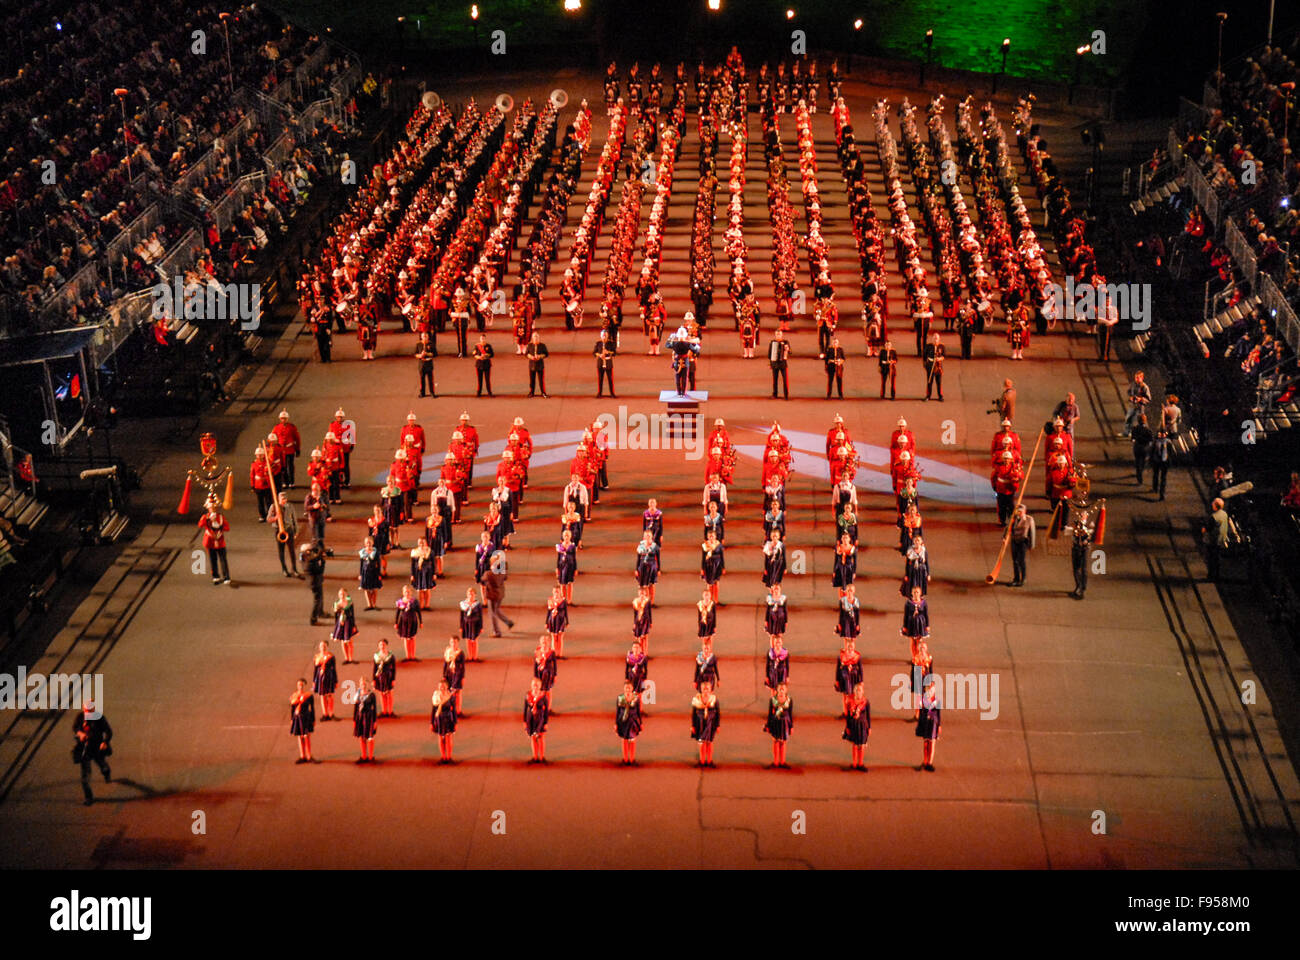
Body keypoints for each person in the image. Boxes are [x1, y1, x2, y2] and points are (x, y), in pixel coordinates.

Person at [72, 701, 112, 805]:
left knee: (102, 764)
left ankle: (106, 772)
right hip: (84, 749)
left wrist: (105, 742)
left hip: (96, 747)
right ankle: (88, 797)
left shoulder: (99, 718)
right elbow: (75, 727)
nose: (87, 713)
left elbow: (109, 731)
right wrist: (80, 733)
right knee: (85, 775)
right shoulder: (81, 717)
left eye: (89, 710)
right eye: (85, 710)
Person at [197, 500, 231, 585]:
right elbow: (200, 525)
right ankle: (215, 576)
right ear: (208, 508)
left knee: (223, 559)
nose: (212, 509)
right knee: (213, 560)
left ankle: (226, 576)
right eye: (210, 507)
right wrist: (208, 520)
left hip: (220, 541)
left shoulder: (220, 517)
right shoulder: (205, 517)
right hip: (210, 541)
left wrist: (220, 527)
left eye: (214, 507)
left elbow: (227, 528)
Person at [482, 551, 514, 639]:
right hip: (500, 593)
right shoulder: (503, 572)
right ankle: (508, 622)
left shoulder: (488, 574)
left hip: (492, 595)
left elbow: (482, 579)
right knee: (496, 610)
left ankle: (496, 631)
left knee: (492, 613)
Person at [690, 680, 720, 767]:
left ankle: (709, 761)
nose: (706, 691)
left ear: (711, 690)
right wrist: (693, 725)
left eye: (707, 689)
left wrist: (718, 725)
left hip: (710, 723)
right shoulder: (696, 700)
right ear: (701, 689)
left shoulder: (714, 700)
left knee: (709, 742)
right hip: (700, 723)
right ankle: (702, 761)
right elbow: (693, 714)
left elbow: (718, 713)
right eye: (704, 689)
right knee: (701, 743)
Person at [764, 682, 794, 769]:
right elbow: (770, 714)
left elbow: (790, 714)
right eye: (780, 689)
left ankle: (783, 761)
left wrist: (791, 726)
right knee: (776, 742)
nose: (781, 691)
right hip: (775, 722)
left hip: (785, 723)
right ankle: (776, 762)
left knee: (783, 742)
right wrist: (768, 725)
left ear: (786, 690)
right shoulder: (773, 700)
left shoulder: (789, 700)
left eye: (783, 689)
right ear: (776, 690)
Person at [271, 493, 300, 577]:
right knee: (281, 551)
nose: (284, 501)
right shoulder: (273, 507)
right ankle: (284, 569)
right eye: (282, 499)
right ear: (279, 500)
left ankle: (294, 569)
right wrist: (275, 518)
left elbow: (294, 518)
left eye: (285, 499)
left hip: (289, 530)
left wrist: (296, 531)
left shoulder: (290, 506)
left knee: (292, 551)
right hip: (279, 531)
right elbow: (268, 518)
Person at [843, 682, 870, 771]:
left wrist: (869, 727)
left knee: (861, 745)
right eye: (857, 691)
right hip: (854, 726)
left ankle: (860, 763)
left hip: (862, 726)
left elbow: (868, 716)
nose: (858, 692)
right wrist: (847, 727)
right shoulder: (850, 703)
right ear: (854, 692)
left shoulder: (866, 702)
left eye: (860, 691)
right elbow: (848, 717)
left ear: (863, 692)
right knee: (854, 745)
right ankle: (854, 764)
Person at [616, 680, 644, 765]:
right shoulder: (620, 698)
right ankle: (625, 759)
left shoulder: (636, 698)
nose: (628, 690)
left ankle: (632, 759)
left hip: (632, 722)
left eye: (629, 688)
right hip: (623, 722)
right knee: (624, 739)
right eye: (626, 688)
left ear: (632, 688)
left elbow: (638, 712)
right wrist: (616, 723)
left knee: (632, 740)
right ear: (624, 689)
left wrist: (641, 723)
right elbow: (618, 712)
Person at [916, 679, 941, 771]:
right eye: (929, 687)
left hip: (933, 722)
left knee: (932, 743)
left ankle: (930, 762)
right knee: (926, 742)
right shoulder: (924, 699)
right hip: (925, 722)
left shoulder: (937, 700)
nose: (931, 689)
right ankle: (925, 761)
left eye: (932, 687)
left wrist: (939, 725)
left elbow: (938, 713)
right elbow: (922, 711)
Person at [290, 678, 316, 764]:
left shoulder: (308, 696)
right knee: (300, 737)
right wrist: (291, 719)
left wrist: (313, 719)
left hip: (306, 717)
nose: (300, 686)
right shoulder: (294, 696)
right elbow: (292, 709)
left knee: (307, 736)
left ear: (304, 686)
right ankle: (302, 756)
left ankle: (309, 755)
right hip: (298, 718)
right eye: (299, 685)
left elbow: (312, 708)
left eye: (302, 685)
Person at [524, 676, 550, 763]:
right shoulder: (528, 695)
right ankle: (535, 757)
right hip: (530, 718)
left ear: (540, 686)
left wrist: (546, 722)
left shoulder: (543, 696)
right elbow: (525, 709)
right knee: (533, 738)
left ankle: (542, 757)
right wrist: (524, 721)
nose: (535, 687)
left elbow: (546, 711)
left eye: (537, 685)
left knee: (541, 737)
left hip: (540, 719)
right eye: (533, 685)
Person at [835, 637, 863, 717]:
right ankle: (845, 712)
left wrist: (861, 681)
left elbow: (860, 669)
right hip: (843, 678)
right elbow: (838, 669)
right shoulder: (841, 656)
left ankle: (852, 712)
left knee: (853, 696)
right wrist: (837, 680)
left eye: (851, 647)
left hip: (854, 678)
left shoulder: (857, 656)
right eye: (848, 646)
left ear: (854, 647)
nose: (850, 648)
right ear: (846, 647)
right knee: (845, 696)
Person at [1203, 497, 1229, 581]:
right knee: (1217, 558)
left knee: (1211, 558)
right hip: (1221, 540)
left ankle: (1210, 576)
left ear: (1215, 506)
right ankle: (1217, 575)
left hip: (1213, 541)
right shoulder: (1224, 514)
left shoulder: (1213, 517)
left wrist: (1203, 530)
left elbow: (1208, 528)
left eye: (1213, 503)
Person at [394, 583, 422, 661]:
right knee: (406, 639)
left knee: (413, 638)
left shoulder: (414, 601)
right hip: (404, 621)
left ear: (411, 592)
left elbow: (418, 612)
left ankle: (413, 656)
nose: (407, 593)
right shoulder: (400, 602)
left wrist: (421, 622)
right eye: (405, 592)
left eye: (408, 592)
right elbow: (398, 612)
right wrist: (396, 622)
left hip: (413, 620)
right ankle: (408, 656)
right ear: (403, 592)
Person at [1010, 504, 1036, 587]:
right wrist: (1004, 537)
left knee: (1021, 561)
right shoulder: (1013, 518)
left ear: (1024, 511)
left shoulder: (1029, 519)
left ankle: (1023, 578)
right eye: (1017, 511)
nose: (1019, 513)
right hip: (1014, 541)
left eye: (1020, 512)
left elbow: (1032, 533)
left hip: (1023, 542)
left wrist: (1031, 545)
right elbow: (1008, 528)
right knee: (1015, 561)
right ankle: (1016, 578)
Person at [353, 677, 377, 763]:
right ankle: (364, 756)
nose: (363, 685)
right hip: (360, 717)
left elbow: (374, 709)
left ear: (367, 684)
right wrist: (354, 720)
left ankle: (370, 757)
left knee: (370, 737)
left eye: (364, 684)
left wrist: (375, 721)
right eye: (361, 684)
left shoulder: (371, 695)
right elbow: (355, 708)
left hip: (369, 717)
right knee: (361, 737)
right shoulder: (357, 695)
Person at [303, 541, 327, 626]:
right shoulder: (310, 562)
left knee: (320, 597)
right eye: (310, 550)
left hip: (314, 581)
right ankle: (313, 619)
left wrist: (319, 555)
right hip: (315, 582)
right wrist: (323, 561)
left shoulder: (305, 558)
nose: (312, 551)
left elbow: (315, 557)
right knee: (317, 600)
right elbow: (320, 570)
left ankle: (320, 612)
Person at [313, 640, 338, 721]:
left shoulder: (331, 657)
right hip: (320, 678)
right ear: (319, 647)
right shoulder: (317, 657)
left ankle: (331, 713)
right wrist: (314, 681)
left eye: (324, 646)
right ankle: (325, 713)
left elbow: (334, 669)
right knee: (322, 695)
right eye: (321, 646)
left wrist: (336, 681)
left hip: (329, 677)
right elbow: (315, 670)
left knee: (330, 695)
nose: (323, 647)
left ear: (327, 647)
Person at [331, 588, 358, 664]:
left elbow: (352, 615)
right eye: (340, 594)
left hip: (348, 622)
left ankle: (351, 658)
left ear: (346, 595)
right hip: (341, 623)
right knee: (343, 641)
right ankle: (346, 658)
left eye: (343, 594)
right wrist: (337, 626)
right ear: (338, 595)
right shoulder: (336, 604)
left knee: (349, 641)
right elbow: (336, 616)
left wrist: (353, 625)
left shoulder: (349, 603)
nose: (342, 595)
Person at [372, 638, 397, 717]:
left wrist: (393, 679)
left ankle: (390, 711)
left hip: (388, 677)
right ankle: (384, 711)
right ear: (378, 646)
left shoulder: (391, 656)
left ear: (386, 645)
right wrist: (374, 679)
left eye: (383, 644)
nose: (382, 646)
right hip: (380, 677)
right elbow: (374, 668)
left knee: (390, 694)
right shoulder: (376, 656)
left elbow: (394, 668)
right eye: (380, 645)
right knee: (382, 694)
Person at [443, 635, 467, 715]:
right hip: (449, 674)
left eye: (455, 642)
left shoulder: (460, 653)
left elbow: (463, 666)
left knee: (458, 692)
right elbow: (445, 664)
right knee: (450, 692)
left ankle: (458, 710)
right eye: (452, 642)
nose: (453, 644)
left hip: (457, 675)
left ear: (458, 643)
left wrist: (463, 677)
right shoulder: (447, 652)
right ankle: (452, 710)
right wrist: (444, 675)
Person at [459, 587, 484, 662]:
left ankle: (475, 656)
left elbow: (481, 616)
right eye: (469, 594)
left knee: (474, 640)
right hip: (466, 624)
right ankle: (470, 656)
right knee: (468, 640)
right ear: (467, 595)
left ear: (475, 595)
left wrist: (481, 627)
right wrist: (461, 626)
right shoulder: (463, 604)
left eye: (472, 594)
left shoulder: (478, 605)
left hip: (475, 624)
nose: (471, 596)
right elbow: (461, 616)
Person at [635, 529, 660, 603]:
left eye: (649, 536)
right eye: (646, 536)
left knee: (651, 584)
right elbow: (638, 558)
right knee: (643, 585)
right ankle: (645, 601)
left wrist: (658, 569)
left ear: (651, 537)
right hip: (643, 566)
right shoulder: (640, 546)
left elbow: (658, 558)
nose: (647, 537)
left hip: (652, 566)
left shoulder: (655, 546)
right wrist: (636, 569)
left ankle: (651, 601)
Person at [1123, 371, 1151, 437]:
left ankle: (1142, 435)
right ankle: (1127, 432)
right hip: (1132, 405)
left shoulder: (1145, 387)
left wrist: (1140, 399)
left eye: (1138, 378)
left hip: (1140, 407)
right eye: (1136, 377)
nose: (1136, 379)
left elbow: (1148, 399)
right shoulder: (1133, 384)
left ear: (1142, 378)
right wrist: (1131, 397)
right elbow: (1129, 391)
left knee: (1141, 421)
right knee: (1128, 418)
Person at [533, 634, 557, 709]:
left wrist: (555, 675)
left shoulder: (551, 652)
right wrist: (535, 677)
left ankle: (548, 708)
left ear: (548, 643)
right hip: (540, 675)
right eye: (543, 642)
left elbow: (555, 665)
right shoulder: (537, 652)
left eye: (546, 642)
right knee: (540, 692)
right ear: (540, 643)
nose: (544, 643)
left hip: (549, 674)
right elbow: (535, 665)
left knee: (548, 692)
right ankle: (541, 708)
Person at [546, 584, 569, 656]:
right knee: (554, 637)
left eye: (558, 592)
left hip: (561, 620)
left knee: (560, 637)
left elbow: (566, 612)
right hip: (552, 621)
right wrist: (546, 622)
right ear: (553, 592)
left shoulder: (563, 601)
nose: (556, 593)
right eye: (555, 592)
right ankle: (554, 654)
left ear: (560, 592)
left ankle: (560, 654)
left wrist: (567, 622)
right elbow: (548, 612)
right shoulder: (550, 601)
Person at [556, 528, 578, 602]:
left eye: (568, 536)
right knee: (562, 583)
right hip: (562, 566)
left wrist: (575, 568)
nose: (566, 537)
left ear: (570, 537)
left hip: (570, 566)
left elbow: (574, 558)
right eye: (565, 536)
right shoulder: (560, 547)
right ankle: (563, 599)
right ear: (563, 537)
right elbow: (558, 558)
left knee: (569, 583)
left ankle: (569, 599)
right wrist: (557, 568)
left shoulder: (572, 546)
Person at [594, 328, 617, 397]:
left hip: (608, 363)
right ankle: (599, 393)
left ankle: (612, 393)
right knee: (600, 379)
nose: (604, 338)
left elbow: (614, 353)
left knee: (610, 379)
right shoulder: (598, 343)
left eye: (605, 336)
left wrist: (608, 352)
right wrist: (600, 355)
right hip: (600, 363)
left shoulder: (611, 343)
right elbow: (594, 352)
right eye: (603, 336)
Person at [526, 332, 550, 397]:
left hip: (540, 366)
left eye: (537, 337)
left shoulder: (542, 346)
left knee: (541, 381)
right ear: (532, 339)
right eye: (534, 337)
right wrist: (531, 357)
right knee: (532, 381)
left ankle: (543, 392)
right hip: (532, 366)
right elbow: (526, 354)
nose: (536, 339)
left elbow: (546, 354)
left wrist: (539, 356)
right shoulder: (529, 345)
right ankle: (531, 392)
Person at [923, 332, 945, 401]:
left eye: (937, 338)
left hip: (938, 366)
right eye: (934, 338)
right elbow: (924, 356)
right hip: (930, 365)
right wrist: (926, 365)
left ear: (939, 339)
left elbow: (944, 356)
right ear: (932, 339)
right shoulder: (928, 346)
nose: (935, 340)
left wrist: (939, 359)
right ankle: (928, 395)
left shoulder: (941, 346)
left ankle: (940, 396)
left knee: (939, 382)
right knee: (929, 381)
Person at [768, 328, 790, 398]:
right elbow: (769, 354)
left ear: (782, 335)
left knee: (785, 380)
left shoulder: (786, 342)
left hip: (783, 364)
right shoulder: (772, 343)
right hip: (775, 364)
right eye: (777, 335)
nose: (778, 336)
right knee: (775, 380)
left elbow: (790, 352)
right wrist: (771, 364)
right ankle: (775, 394)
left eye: (779, 334)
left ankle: (786, 394)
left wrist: (787, 349)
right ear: (775, 335)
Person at [416, 333, 437, 398]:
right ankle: (422, 393)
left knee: (430, 380)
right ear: (421, 337)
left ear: (428, 337)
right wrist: (420, 355)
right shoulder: (418, 344)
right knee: (422, 380)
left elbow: (435, 354)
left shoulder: (431, 344)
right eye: (423, 336)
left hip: (429, 364)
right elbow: (415, 354)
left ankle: (432, 392)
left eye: (426, 336)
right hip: (422, 364)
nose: (424, 338)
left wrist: (427, 354)